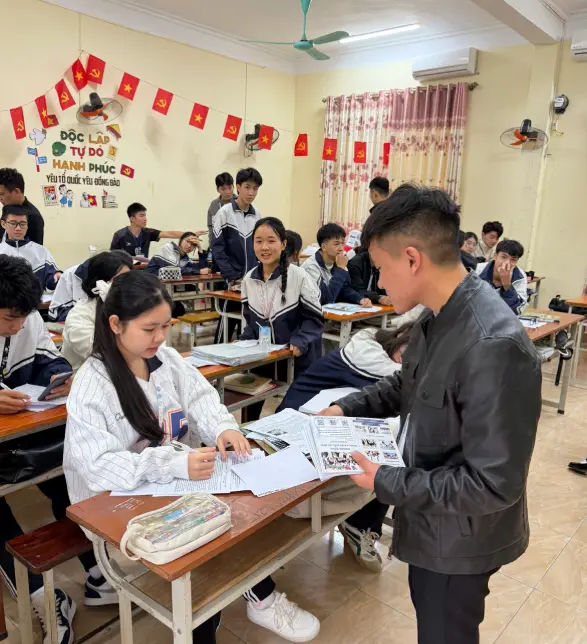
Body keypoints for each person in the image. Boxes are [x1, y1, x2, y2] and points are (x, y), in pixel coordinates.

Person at [319, 183, 541, 644]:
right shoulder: (438, 314)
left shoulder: (492, 344)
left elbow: (492, 484)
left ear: (412, 259)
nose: (380, 283)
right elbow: (409, 382)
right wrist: (347, 406)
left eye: (381, 269)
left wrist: (385, 481)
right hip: (434, 518)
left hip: (461, 539)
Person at [63, 271, 320, 644]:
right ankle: (254, 603)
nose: (160, 337)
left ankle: (253, 599)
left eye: (166, 326)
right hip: (116, 502)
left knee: (234, 509)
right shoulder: (92, 383)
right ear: (115, 324)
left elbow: (200, 398)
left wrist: (222, 429)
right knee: (207, 535)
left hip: (171, 480)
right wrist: (172, 464)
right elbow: (99, 467)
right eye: (149, 328)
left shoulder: (165, 359)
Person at [0, 255, 116, 644]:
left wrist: (60, 378)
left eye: (23, 318)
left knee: (67, 479)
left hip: (27, 430)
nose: (17, 327)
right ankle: (45, 598)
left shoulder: (27, 319)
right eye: (8, 319)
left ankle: (97, 572)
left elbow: (49, 359)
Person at [278, 324, 412, 572]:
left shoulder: (385, 354)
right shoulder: (367, 352)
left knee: (383, 454)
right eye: (406, 354)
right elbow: (403, 382)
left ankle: (360, 524)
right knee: (377, 458)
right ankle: (356, 521)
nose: (405, 362)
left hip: (329, 417)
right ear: (399, 338)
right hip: (301, 418)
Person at [240, 217, 324, 420]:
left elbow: (314, 319)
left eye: (271, 241)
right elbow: (250, 320)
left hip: (298, 356)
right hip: (266, 356)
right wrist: (243, 342)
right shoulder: (248, 279)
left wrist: (301, 339)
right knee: (249, 407)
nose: (264, 247)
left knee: (288, 414)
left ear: (283, 244)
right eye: (259, 241)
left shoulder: (299, 276)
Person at [211, 167, 263, 342]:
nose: (251, 193)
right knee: (226, 323)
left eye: (255, 188)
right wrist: (232, 276)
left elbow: (260, 247)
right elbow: (217, 248)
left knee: (248, 324)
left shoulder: (257, 215)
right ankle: (215, 353)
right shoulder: (224, 213)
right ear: (238, 187)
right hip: (232, 281)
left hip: (252, 280)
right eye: (247, 187)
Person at [62, 251, 133, 371]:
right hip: (85, 376)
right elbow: (99, 354)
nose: (128, 286)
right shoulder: (80, 315)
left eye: (130, 280)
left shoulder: (131, 307)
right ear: (100, 283)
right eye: (120, 280)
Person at [301, 223, 372, 306]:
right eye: (336, 244)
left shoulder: (339, 261)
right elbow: (325, 299)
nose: (341, 248)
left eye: (343, 243)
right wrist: (341, 269)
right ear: (324, 247)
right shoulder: (311, 267)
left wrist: (360, 299)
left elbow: (345, 290)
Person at [0, 206, 62, 292]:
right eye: (13, 223)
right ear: (3, 224)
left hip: (35, 299)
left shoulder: (41, 251)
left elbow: (51, 280)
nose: (18, 228)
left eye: (23, 224)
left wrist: (56, 276)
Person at [110, 203, 196, 258]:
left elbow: (170, 234)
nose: (145, 219)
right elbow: (113, 257)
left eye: (145, 215)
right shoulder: (120, 235)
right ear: (132, 219)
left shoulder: (148, 232)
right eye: (141, 216)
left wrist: (191, 235)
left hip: (144, 269)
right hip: (127, 271)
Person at [476, 239, 528, 314]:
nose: (507, 263)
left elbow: (517, 310)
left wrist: (507, 286)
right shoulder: (477, 269)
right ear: (495, 256)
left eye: (513, 260)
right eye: (503, 257)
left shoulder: (520, 276)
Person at [0, 168, 44, 244]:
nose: (0, 198)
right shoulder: (7, 208)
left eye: (1, 194)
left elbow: (35, 249)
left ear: (16, 191)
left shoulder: (34, 217)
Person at [146, 232, 211, 276]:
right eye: (187, 241)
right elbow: (174, 269)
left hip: (165, 284)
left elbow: (203, 268)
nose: (189, 246)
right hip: (148, 283)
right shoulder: (168, 247)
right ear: (180, 240)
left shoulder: (185, 258)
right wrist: (199, 271)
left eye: (193, 244)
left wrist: (200, 248)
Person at [207, 172, 235, 240]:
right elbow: (211, 226)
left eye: (229, 188)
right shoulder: (214, 205)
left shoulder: (241, 202)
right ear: (217, 189)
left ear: (233, 187)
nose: (227, 192)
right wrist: (212, 242)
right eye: (223, 189)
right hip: (218, 243)